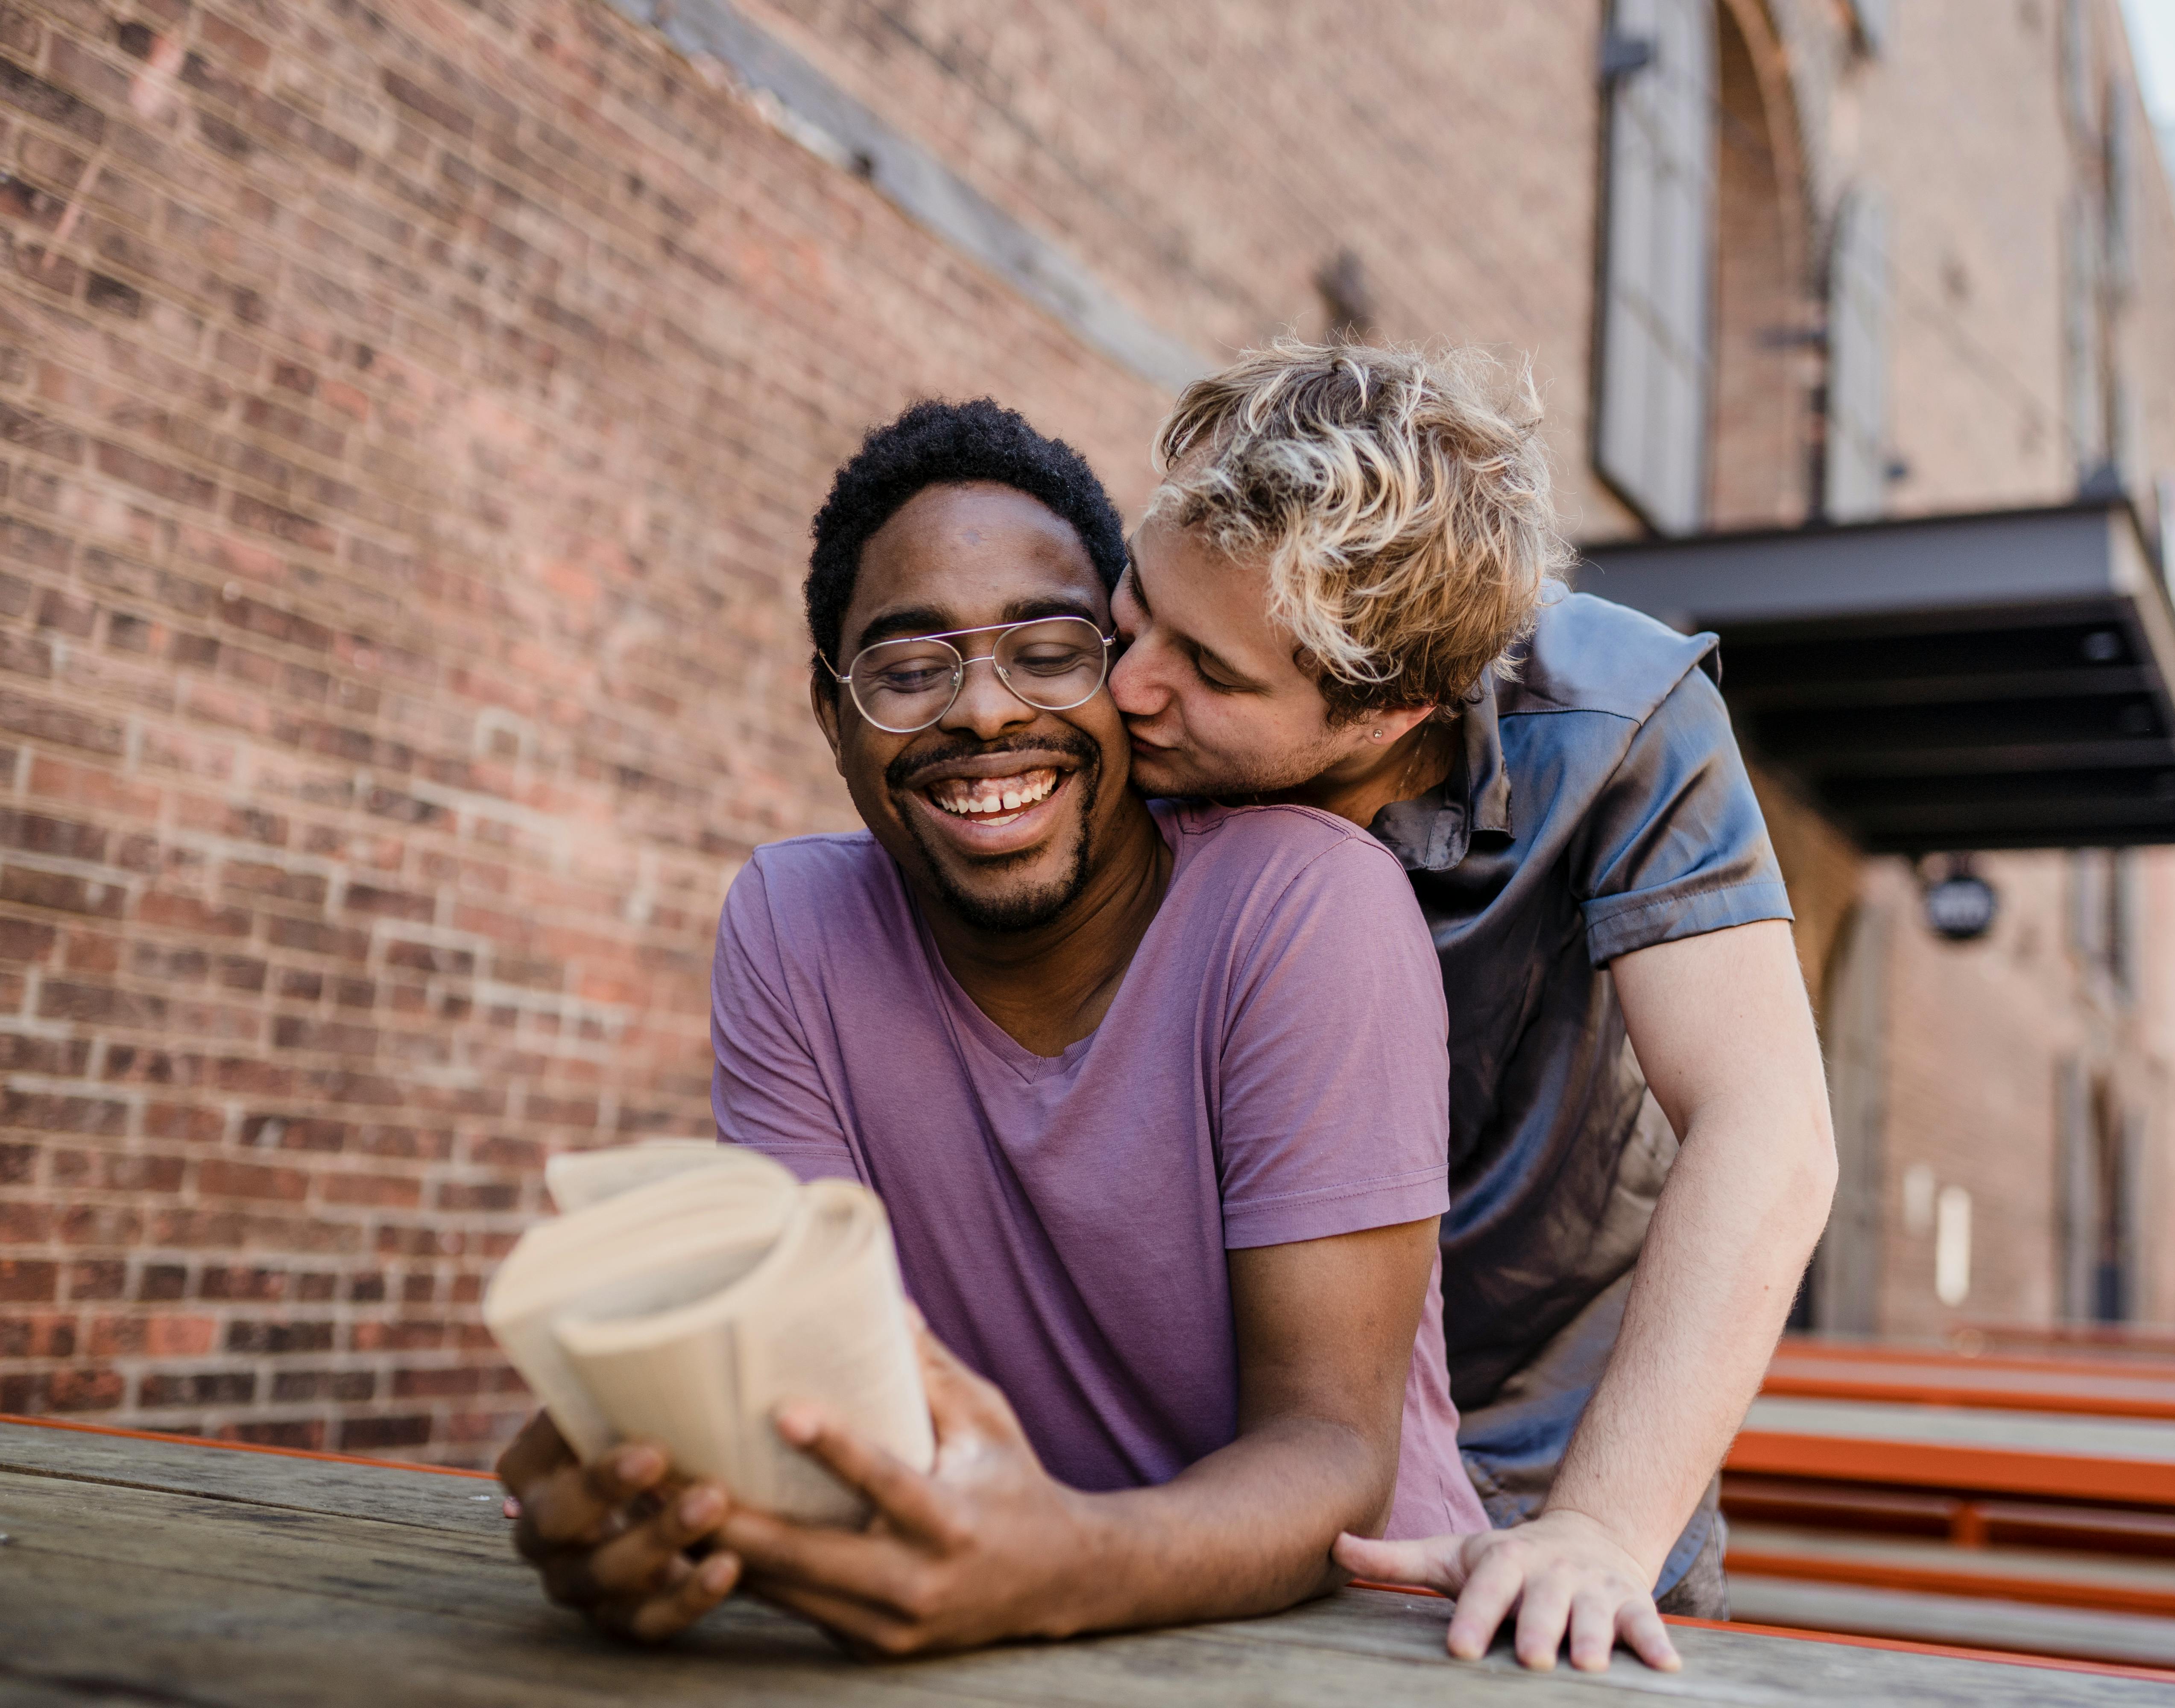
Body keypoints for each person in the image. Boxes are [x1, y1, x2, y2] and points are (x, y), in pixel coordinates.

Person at [497, 398, 1483, 1654]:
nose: (980, 711)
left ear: (1123, 667)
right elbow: (811, 1381)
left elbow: (1334, 1448)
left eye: (1050, 649)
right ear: (831, 713)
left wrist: (1066, 1566)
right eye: (908, 670)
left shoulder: (1307, 904)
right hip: (992, 1631)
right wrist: (651, 1499)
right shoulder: (792, 927)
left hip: (1358, 1642)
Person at [1103, 342, 1838, 1673]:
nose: (1127, 686)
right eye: (1135, 607)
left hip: (1552, 1492)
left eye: (1206, 671)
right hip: (1209, 1478)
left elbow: (1768, 1124)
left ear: (1396, 712)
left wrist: (1602, 1530)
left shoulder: (1621, 718)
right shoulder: (1129, 711)